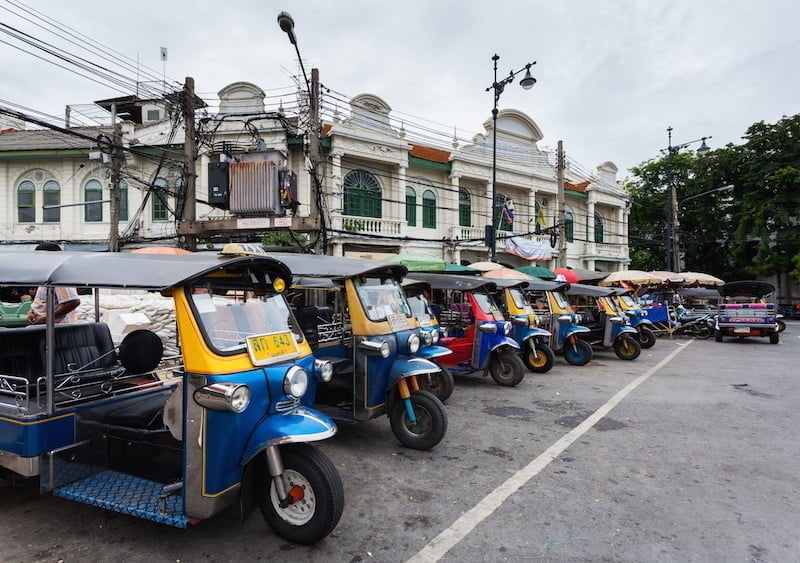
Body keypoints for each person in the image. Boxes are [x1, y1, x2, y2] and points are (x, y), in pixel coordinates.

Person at [26, 242, 80, 325]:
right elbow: (43, 301)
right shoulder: (48, 275)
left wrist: (47, 318)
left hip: (57, 328)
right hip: (45, 325)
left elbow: (73, 302)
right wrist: (31, 312)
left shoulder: (60, 275)